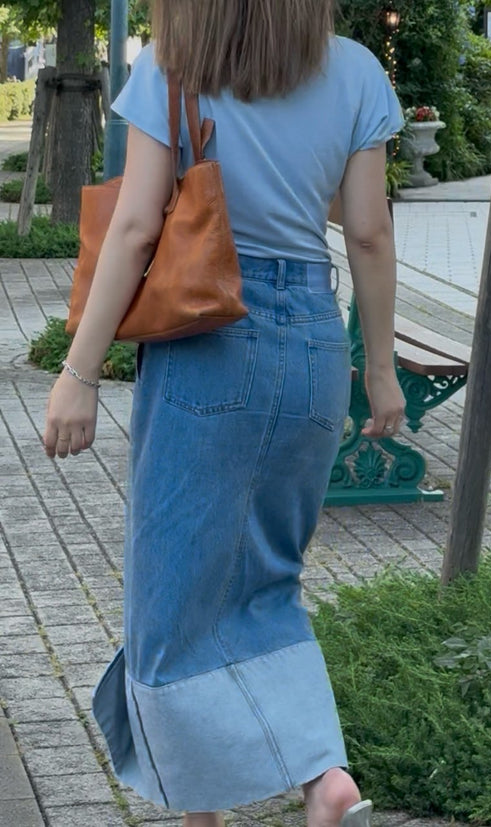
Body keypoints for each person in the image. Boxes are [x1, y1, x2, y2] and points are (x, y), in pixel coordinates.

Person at [43, 1, 405, 825]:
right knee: (269, 581)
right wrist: (380, 371)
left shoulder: (174, 66)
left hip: (210, 342)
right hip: (312, 343)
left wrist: (79, 371)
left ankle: (218, 804)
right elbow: (368, 233)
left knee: (170, 600)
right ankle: (322, 776)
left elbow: (137, 227)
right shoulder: (355, 70)